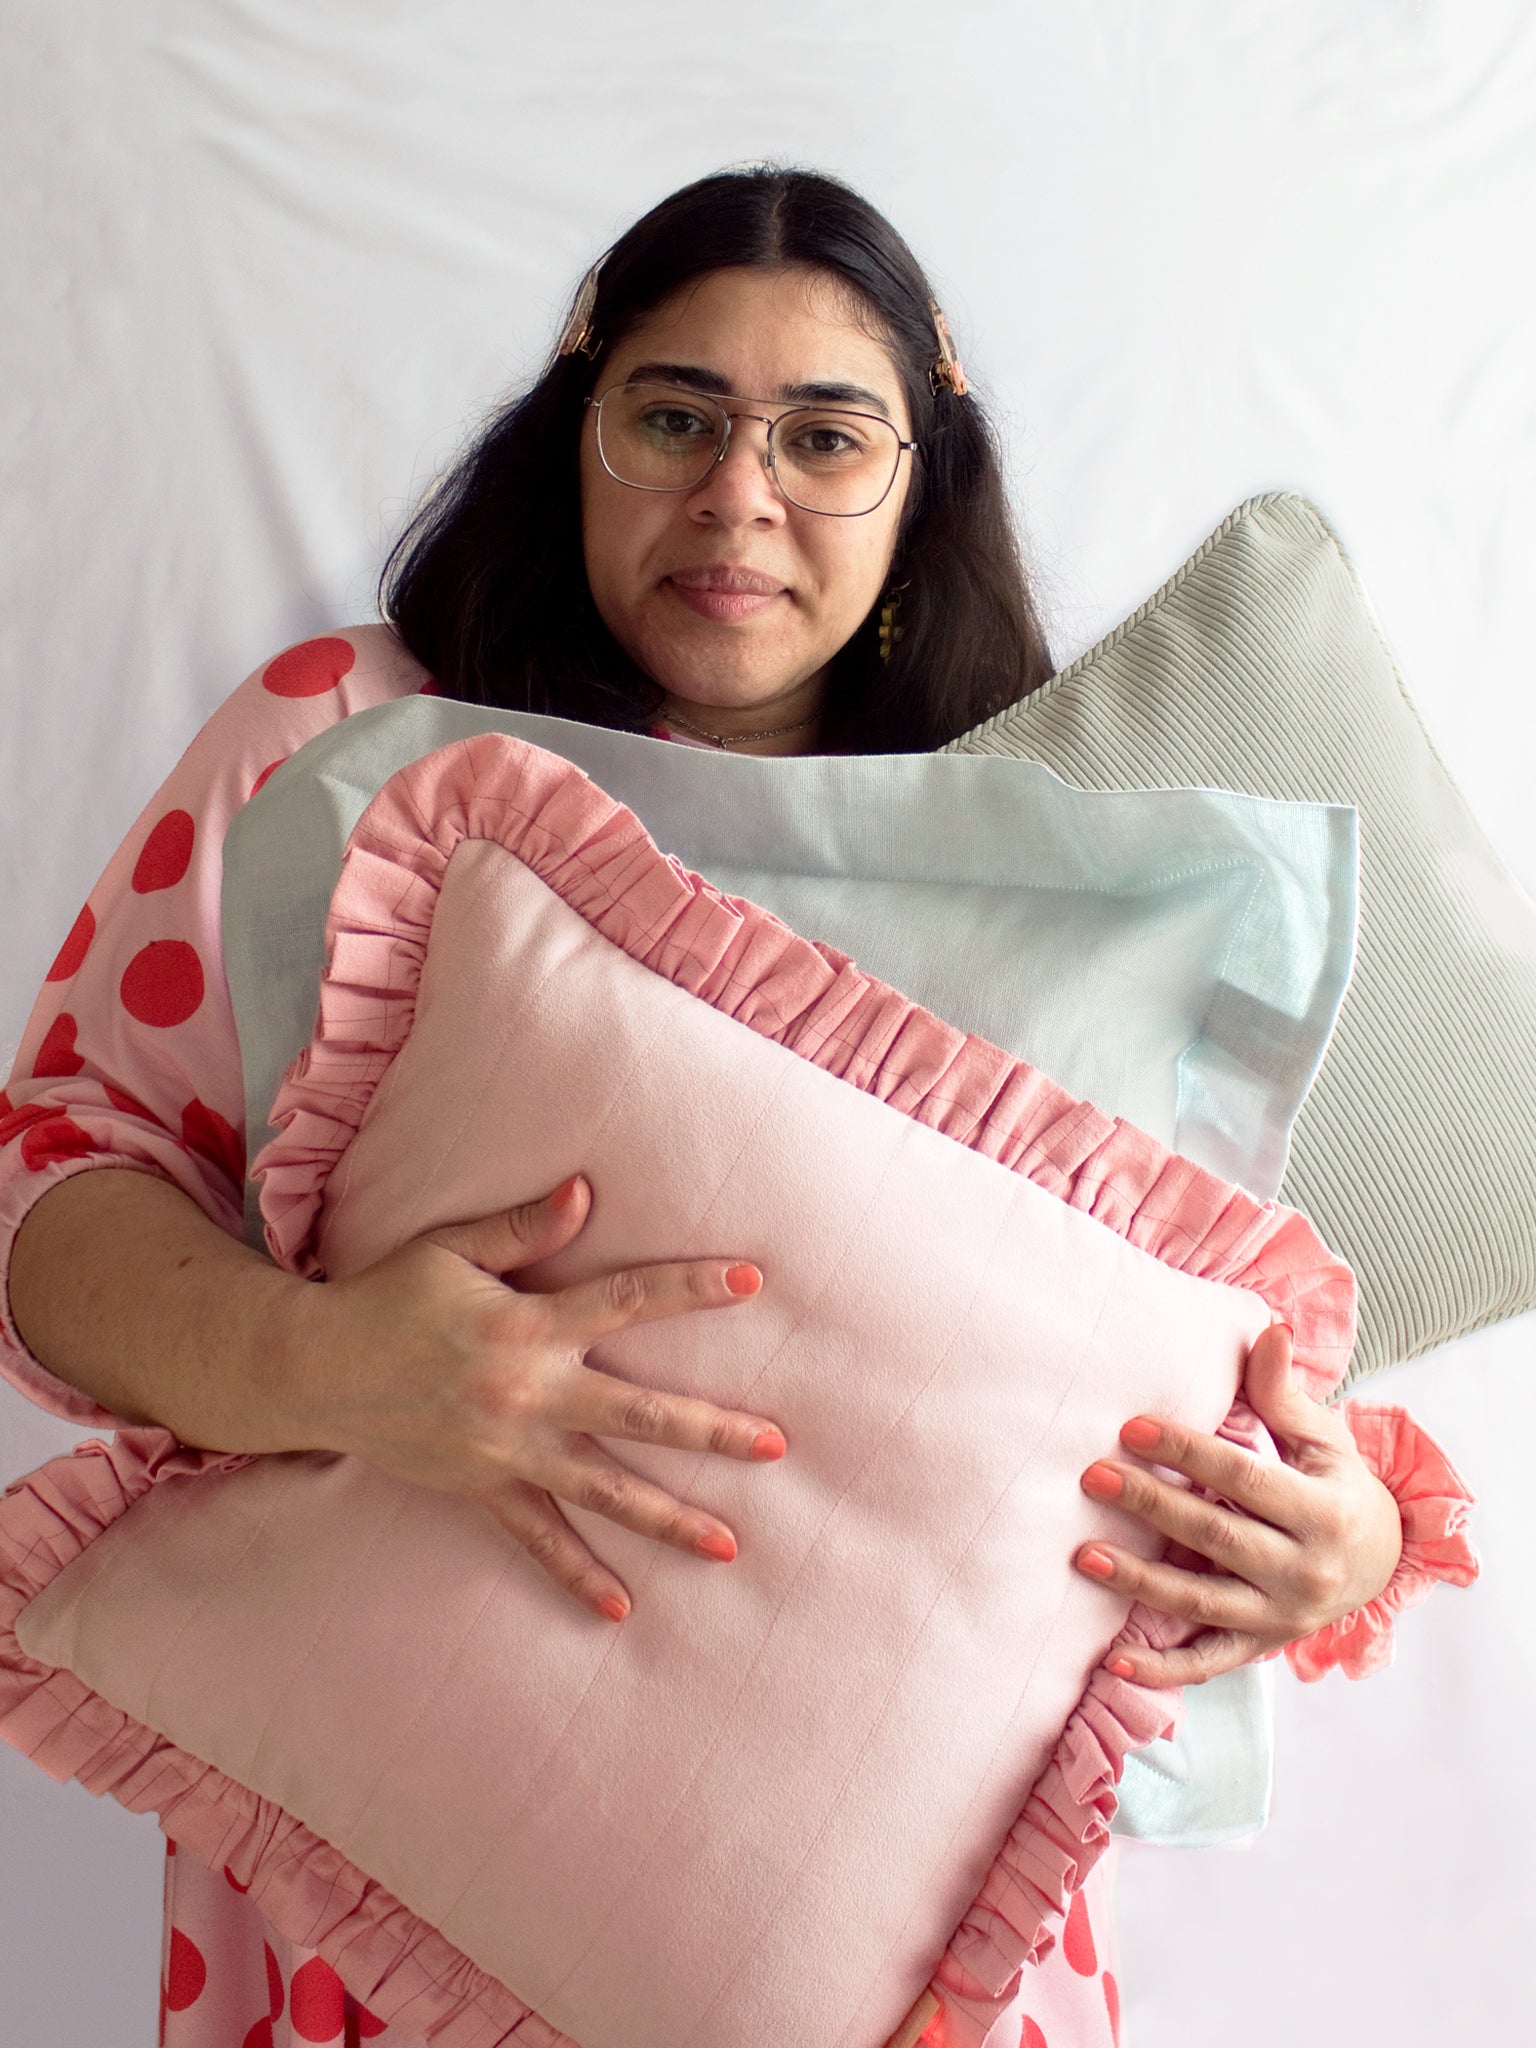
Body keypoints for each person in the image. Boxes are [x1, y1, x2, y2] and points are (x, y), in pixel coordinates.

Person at [0, 167, 1444, 2048]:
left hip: (912, 1959)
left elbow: (1229, 1344)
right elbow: (51, 1196)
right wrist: (332, 1365)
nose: (738, 494)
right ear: (573, 438)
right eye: (675, 416)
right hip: (378, 1898)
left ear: (922, 484)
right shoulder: (340, 743)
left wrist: (1345, 1550)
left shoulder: (1058, 867)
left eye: (826, 436)